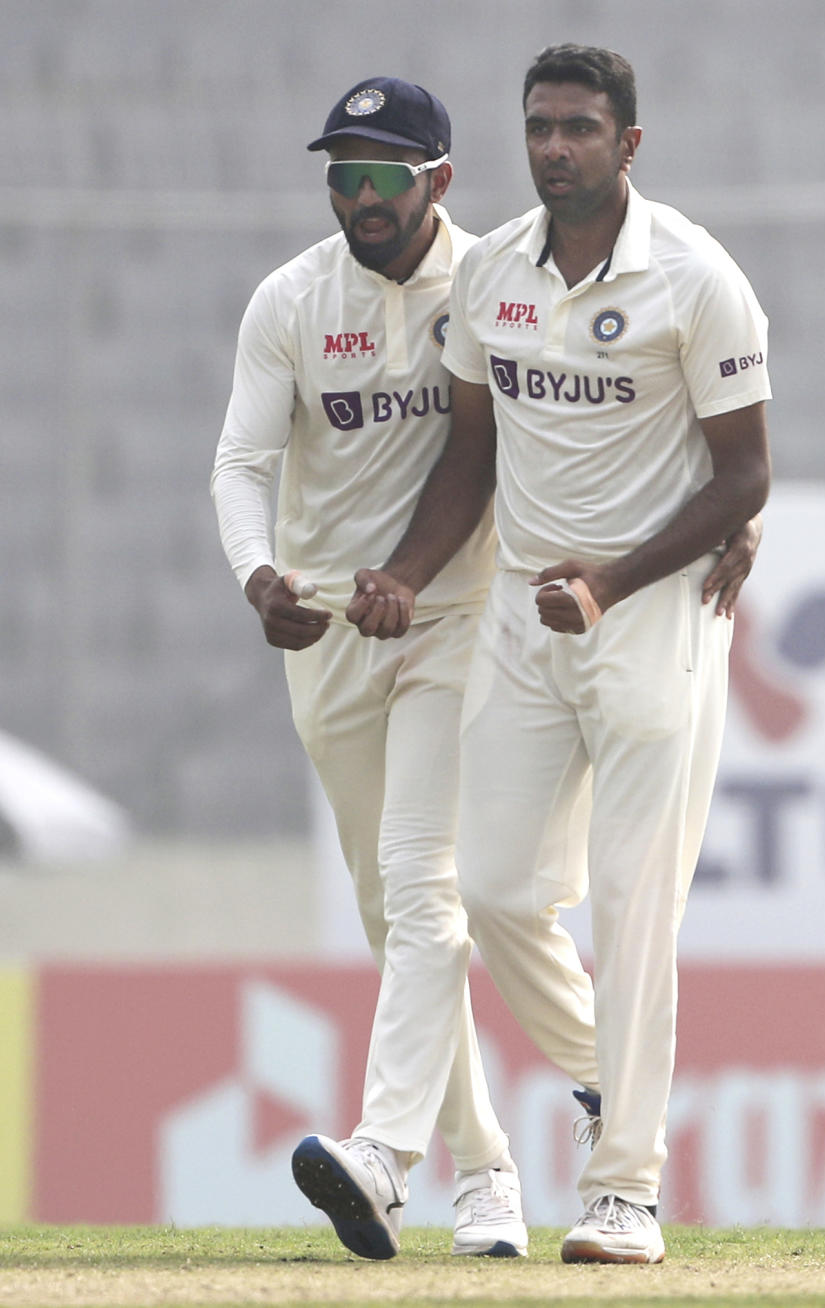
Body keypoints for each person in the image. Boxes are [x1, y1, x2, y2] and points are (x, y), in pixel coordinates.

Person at [346, 45, 772, 1266]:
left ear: (627, 145)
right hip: (528, 623)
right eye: (539, 129)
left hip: (650, 618)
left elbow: (743, 474)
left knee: (638, 906)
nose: (556, 149)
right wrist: (408, 576)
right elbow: (470, 455)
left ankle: (624, 1191)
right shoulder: (488, 275)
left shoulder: (697, 278)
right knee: (490, 890)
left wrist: (616, 580)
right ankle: (606, 1076)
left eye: (580, 130)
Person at [211, 76, 529, 1262]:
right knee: (390, 912)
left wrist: (413, 573)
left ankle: (381, 1151)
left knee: (422, 881)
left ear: (438, 180)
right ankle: (489, 1173)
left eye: (383, 173)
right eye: (340, 173)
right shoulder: (291, 298)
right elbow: (240, 465)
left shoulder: (496, 282)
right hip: (329, 632)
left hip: (458, 620)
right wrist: (258, 578)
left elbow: (493, 452)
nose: (359, 195)